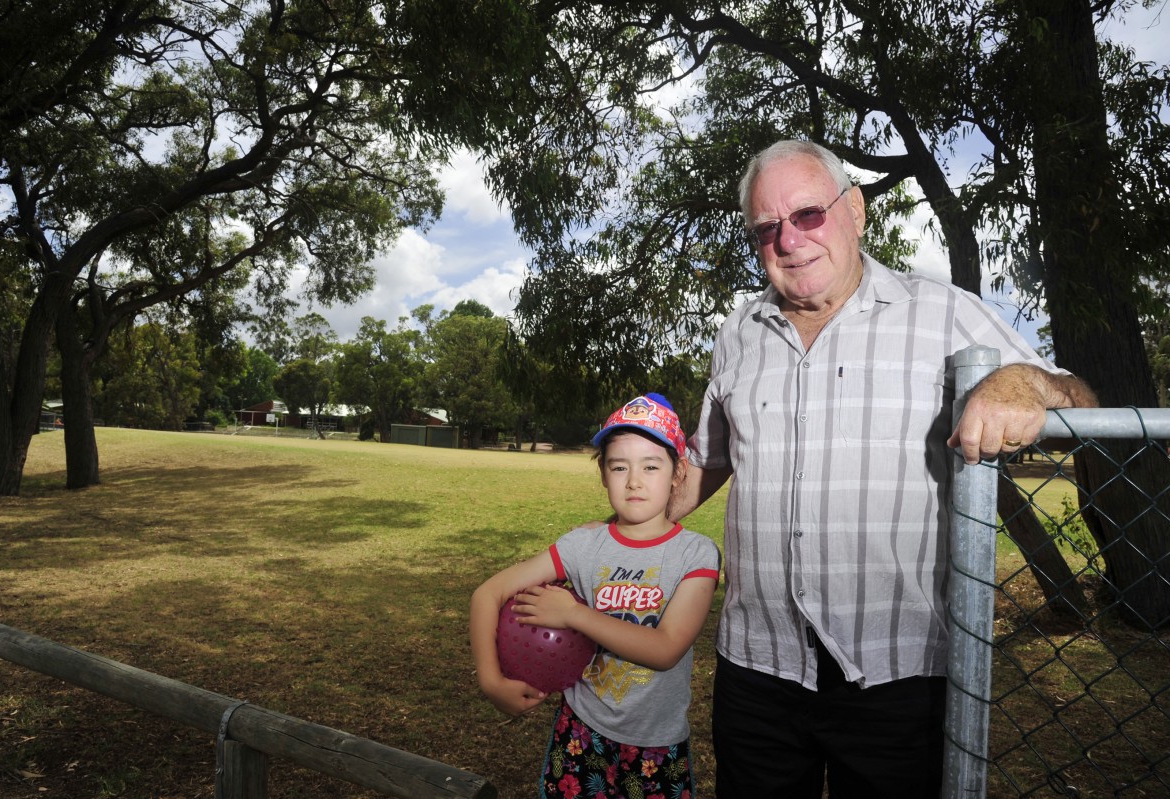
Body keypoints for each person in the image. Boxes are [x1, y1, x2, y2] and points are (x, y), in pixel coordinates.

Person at [671, 140, 1097, 797]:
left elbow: (1075, 395)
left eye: (809, 213)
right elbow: (710, 458)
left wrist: (1023, 381)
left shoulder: (942, 312)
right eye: (767, 227)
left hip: (898, 680)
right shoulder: (739, 332)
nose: (789, 239)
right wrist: (620, 516)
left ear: (856, 211)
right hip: (756, 672)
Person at [470, 394, 721, 798]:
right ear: (603, 474)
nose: (634, 480)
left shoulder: (695, 553)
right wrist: (490, 681)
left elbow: (665, 649)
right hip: (579, 734)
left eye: (651, 466)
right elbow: (489, 593)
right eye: (619, 466)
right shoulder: (582, 545)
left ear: (678, 473)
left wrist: (573, 615)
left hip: (656, 745)